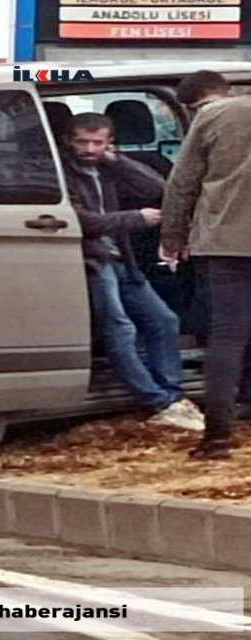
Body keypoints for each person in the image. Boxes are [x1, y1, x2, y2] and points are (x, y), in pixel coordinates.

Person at [62, 112, 205, 431]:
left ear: (109, 143)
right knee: (120, 327)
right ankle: (157, 400)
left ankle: (173, 396)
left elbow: (157, 187)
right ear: (68, 141)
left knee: (164, 320)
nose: (88, 149)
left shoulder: (107, 168)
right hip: (93, 258)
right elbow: (83, 222)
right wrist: (135, 219)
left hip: (120, 257)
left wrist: (117, 162)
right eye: (82, 142)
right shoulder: (61, 173)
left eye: (97, 142)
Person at [161, 70, 251, 459]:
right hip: (225, 243)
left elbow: (182, 183)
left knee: (227, 338)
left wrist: (172, 237)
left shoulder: (212, 117)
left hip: (226, 243)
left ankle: (216, 438)